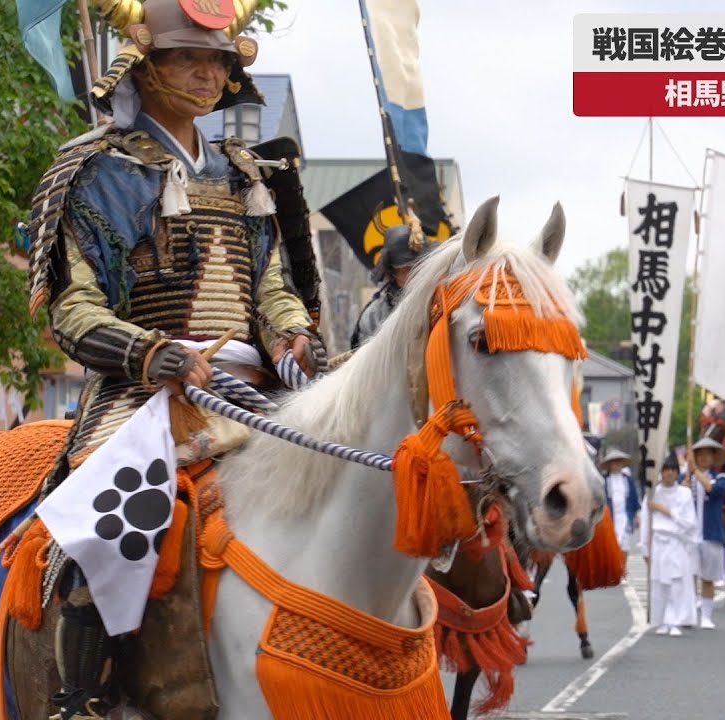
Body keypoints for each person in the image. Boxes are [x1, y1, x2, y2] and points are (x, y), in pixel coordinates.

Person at [25, 2, 324, 716]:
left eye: (219, 60)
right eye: (190, 57)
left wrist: (288, 336)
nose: (208, 72)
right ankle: (81, 696)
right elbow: (72, 308)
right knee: (104, 526)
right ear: (145, 64)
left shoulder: (243, 170)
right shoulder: (97, 170)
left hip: (252, 385)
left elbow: (272, 285)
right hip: (142, 390)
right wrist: (149, 351)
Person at [350, 224, 435, 348]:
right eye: (406, 270)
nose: (415, 276)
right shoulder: (375, 315)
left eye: (420, 267)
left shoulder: (442, 301)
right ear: (392, 273)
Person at [639, 454, 696, 636]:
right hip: (658, 542)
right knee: (660, 582)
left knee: (675, 581)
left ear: (677, 472)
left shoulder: (684, 493)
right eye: (665, 470)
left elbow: (688, 522)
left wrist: (665, 510)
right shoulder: (653, 493)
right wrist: (644, 547)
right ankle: (662, 619)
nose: (669, 473)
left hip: (676, 542)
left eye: (672, 470)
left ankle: (675, 620)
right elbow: (646, 521)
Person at [687, 436, 725, 629]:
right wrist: (686, 480)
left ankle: (706, 616)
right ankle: (687, 614)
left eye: (707, 455)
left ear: (713, 458)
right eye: (700, 454)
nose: (704, 458)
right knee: (688, 577)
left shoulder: (721, 478)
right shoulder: (686, 477)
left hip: (711, 534)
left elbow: (712, 490)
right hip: (689, 535)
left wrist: (695, 471)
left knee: (708, 578)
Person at [599, 446, 640, 550]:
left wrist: (636, 516)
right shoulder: (604, 481)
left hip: (625, 515)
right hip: (611, 516)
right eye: (613, 463)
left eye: (618, 462)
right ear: (609, 465)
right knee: (612, 546)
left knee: (625, 546)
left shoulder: (628, 480)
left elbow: (633, 498)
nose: (616, 465)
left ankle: (623, 566)